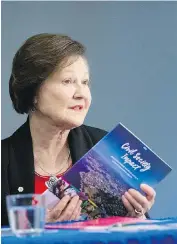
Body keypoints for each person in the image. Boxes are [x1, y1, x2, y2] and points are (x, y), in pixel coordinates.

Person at [1, 33, 156, 226]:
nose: (82, 94)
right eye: (67, 81)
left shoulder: (103, 147)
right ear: (33, 93)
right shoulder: (3, 160)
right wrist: (36, 228)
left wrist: (137, 218)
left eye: (85, 82)